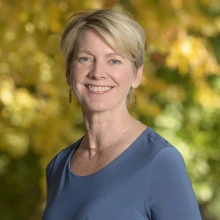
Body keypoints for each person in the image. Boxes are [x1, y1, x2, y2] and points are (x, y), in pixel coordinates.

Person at [42, 8, 202, 220]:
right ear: (68, 73)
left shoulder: (160, 160)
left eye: (114, 60)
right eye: (85, 59)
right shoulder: (58, 166)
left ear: (137, 74)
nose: (97, 73)